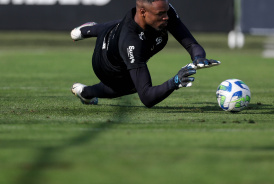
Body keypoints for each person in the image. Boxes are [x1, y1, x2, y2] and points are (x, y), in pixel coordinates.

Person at [70, 0, 220, 108]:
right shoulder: (131, 43)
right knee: (133, 86)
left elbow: (191, 44)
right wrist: (174, 82)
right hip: (105, 65)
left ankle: (87, 30)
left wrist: (199, 58)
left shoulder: (163, 11)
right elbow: (147, 97)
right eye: (161, 14)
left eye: (167, 11)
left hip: (117, 33)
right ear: (143, 12)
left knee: (120, 25)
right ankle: (86, 92)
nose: (166, 17)